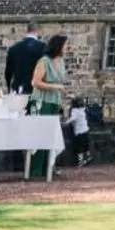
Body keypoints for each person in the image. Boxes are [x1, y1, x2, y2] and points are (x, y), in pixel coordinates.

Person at [26, 34, 70, 178]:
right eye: (65, 44)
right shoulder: (44, 61)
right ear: (58, 46)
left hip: (54, 101)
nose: (67, 47)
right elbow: (35, 82)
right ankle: (36, 169)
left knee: (51, 134)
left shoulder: (61, 62)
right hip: (41, 101)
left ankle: (48, 167)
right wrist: (55, 87)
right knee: (39, 133)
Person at [4, 23, 46, 95]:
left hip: (18, 88)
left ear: (27, 31)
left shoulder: (13, 48)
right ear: (38, 31)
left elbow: (8, 72)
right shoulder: (43, 47)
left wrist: (8, 87)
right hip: (37, 90)